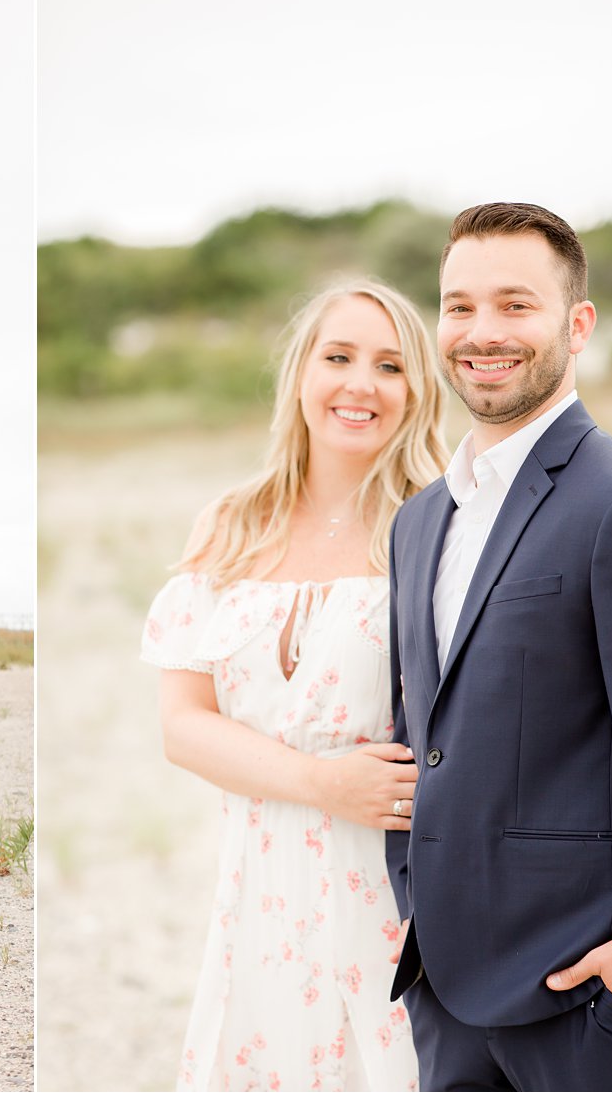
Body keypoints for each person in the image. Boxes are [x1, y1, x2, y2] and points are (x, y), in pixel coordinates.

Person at [385, 202, 612, 1091]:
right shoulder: (420, 519)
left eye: (515, 304)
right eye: (459, 306)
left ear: (577, 324)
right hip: (452, 994)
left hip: (597, 997)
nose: (481, 332)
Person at [141, 279, 449, 1091]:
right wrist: (320, 781)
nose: (359, 384)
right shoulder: (233, 522)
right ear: (301, 374)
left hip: (390, 891)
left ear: (417, 389)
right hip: (259, 894)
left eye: (389, 365)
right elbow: (183, 725)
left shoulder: (440, 523)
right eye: (338, 356)